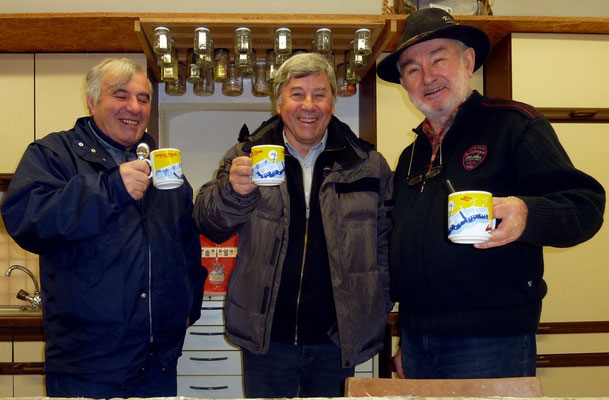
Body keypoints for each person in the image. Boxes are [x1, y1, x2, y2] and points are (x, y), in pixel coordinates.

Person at [376, 7, 606, 379]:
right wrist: (407, 336)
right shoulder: (410, 156)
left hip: (491, 342)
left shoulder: (513, 125)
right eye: (413, 69)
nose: (428, 77)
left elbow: (585, 204)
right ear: (404, 82)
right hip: (419, 341)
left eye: (438, 60)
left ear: (468, 61)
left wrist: (528, 214)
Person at [1, 57, 205, 397]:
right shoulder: (54, 154)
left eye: (143, 98)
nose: (134, 107)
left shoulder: (164, 165)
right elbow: (26, 220)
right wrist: (109, 189)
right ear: (93, 100)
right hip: (86, 365)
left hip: (157, 364)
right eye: (120, 95)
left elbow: (186, 244)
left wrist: (188, 308)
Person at [194, 53, 393, 397]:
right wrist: (232, 192)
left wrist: (377, 305)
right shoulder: (245, 155)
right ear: (279, 101)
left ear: (333, 101)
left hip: (338, 338)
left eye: (319, 94)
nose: (308, 105)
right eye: (297, 93)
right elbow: (210, 223)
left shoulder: (367, 164)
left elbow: (386, 244)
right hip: (268, 338)